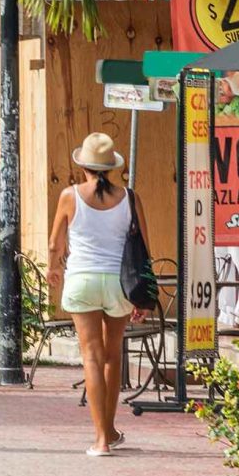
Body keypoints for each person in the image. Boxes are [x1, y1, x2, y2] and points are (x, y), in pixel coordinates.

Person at [49, 132, 141, 457]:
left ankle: (101, 440)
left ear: (84, 166)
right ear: (110, 167)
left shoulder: (69, 196)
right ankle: (111, 429)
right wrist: (143, 293)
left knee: (91, 355)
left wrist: (53, 269)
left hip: (82, 280)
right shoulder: (130, 197)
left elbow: (54, 244)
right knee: (113, 355)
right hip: (118, 283)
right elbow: (143, 247)